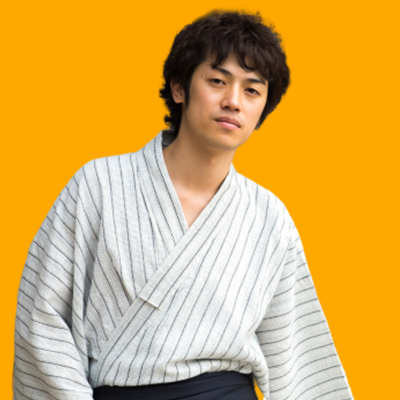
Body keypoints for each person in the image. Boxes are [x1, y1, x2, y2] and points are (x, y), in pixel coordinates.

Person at [13, 10, 354, 400]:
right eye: (217, 81)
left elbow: (297, 354)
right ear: (179, 87)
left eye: (252, 90)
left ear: (263, 108)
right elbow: (42, 317)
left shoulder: (269, 217)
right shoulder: (99, 185)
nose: (233, 102)